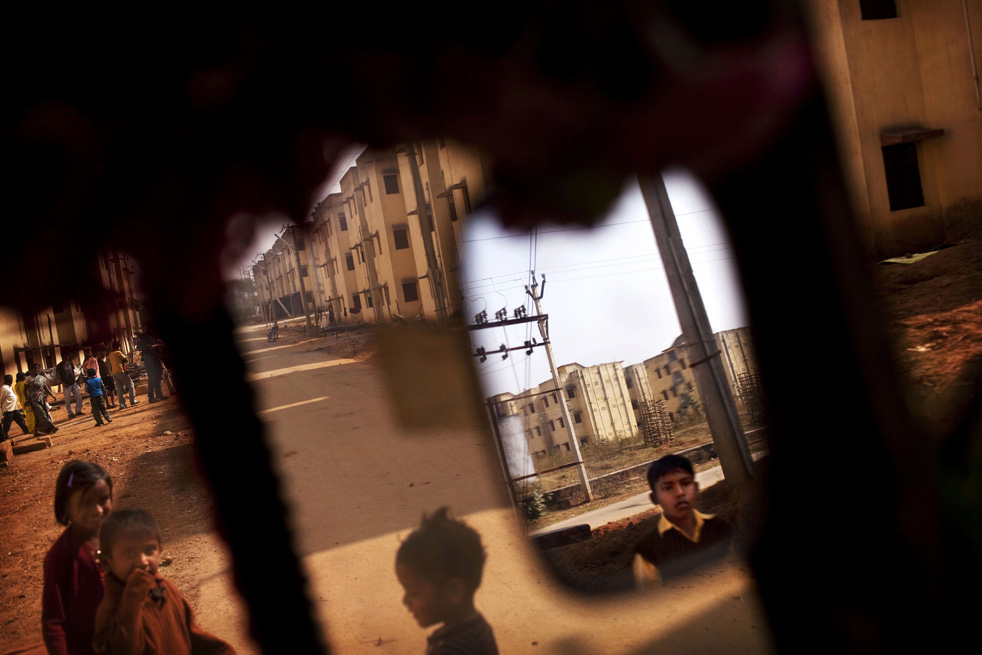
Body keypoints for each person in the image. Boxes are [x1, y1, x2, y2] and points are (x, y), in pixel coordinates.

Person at [92, 509, 237, 655]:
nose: (142, 561)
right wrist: (133, 596)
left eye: (149, 550)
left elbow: (191, 635)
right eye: (129, 553)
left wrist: (221, 650)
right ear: (107, 563)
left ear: (160, 551)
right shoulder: (110, 609)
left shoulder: (166, 589)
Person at [395, 507, 498, 655]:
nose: (405, 601)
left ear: (453, 591)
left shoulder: (451, 649)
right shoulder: (478, 628)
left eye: (413, 592)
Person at [42, 460, 114, 655]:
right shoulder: (60, 558)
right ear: (66, 506)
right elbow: (53, 622)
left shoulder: (118, 539)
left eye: (104, 499)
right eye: (86, 502)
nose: (98, 510)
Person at [632, 454, 734, 589]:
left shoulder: (721, 528)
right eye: (668, 487)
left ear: (696, 487)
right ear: (654, 498)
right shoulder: (648, 553)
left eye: (685, 483)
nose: (679, 493)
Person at [28, 363, 59, 436]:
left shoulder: (42, 378)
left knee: (43, 414)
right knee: (42, 413)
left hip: (41, 398)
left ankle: (38, 430)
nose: (37, 370)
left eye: (38, 368)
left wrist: (51, 394)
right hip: (33, 400)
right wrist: (26, 400)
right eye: (35, 368)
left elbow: (45, 387)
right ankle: (52, 426)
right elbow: (25, 389)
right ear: (31, 370)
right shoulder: (29, 379)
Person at [136, 334, 167, 404]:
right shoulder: (145, 338)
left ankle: (159, 394)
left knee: (158, 376)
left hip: (153, 357)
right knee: (152, 378)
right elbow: (148, 347)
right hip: (150, 358)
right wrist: (160, 345)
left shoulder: (149, 337)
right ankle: (151, 397)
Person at [107, 342, 138, 410]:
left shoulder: (110, 354)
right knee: (131, 385)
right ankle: (132, 400)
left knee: (119, 389)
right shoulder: (118, 352)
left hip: (114, 373)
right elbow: (125, 360)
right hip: (121, 371)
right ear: (118, 347)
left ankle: (122, 404)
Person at [1, 373, 31, 439]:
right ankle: (4, 435)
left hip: (14, 408)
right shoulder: (4, 388)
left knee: (20, 419)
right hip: (8, 408)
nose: (11, 380)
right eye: (9, 379)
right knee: (7, 422)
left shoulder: (9, 387)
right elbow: (1, 399)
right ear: (6, 380)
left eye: (11, 379)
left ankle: (26, 430)